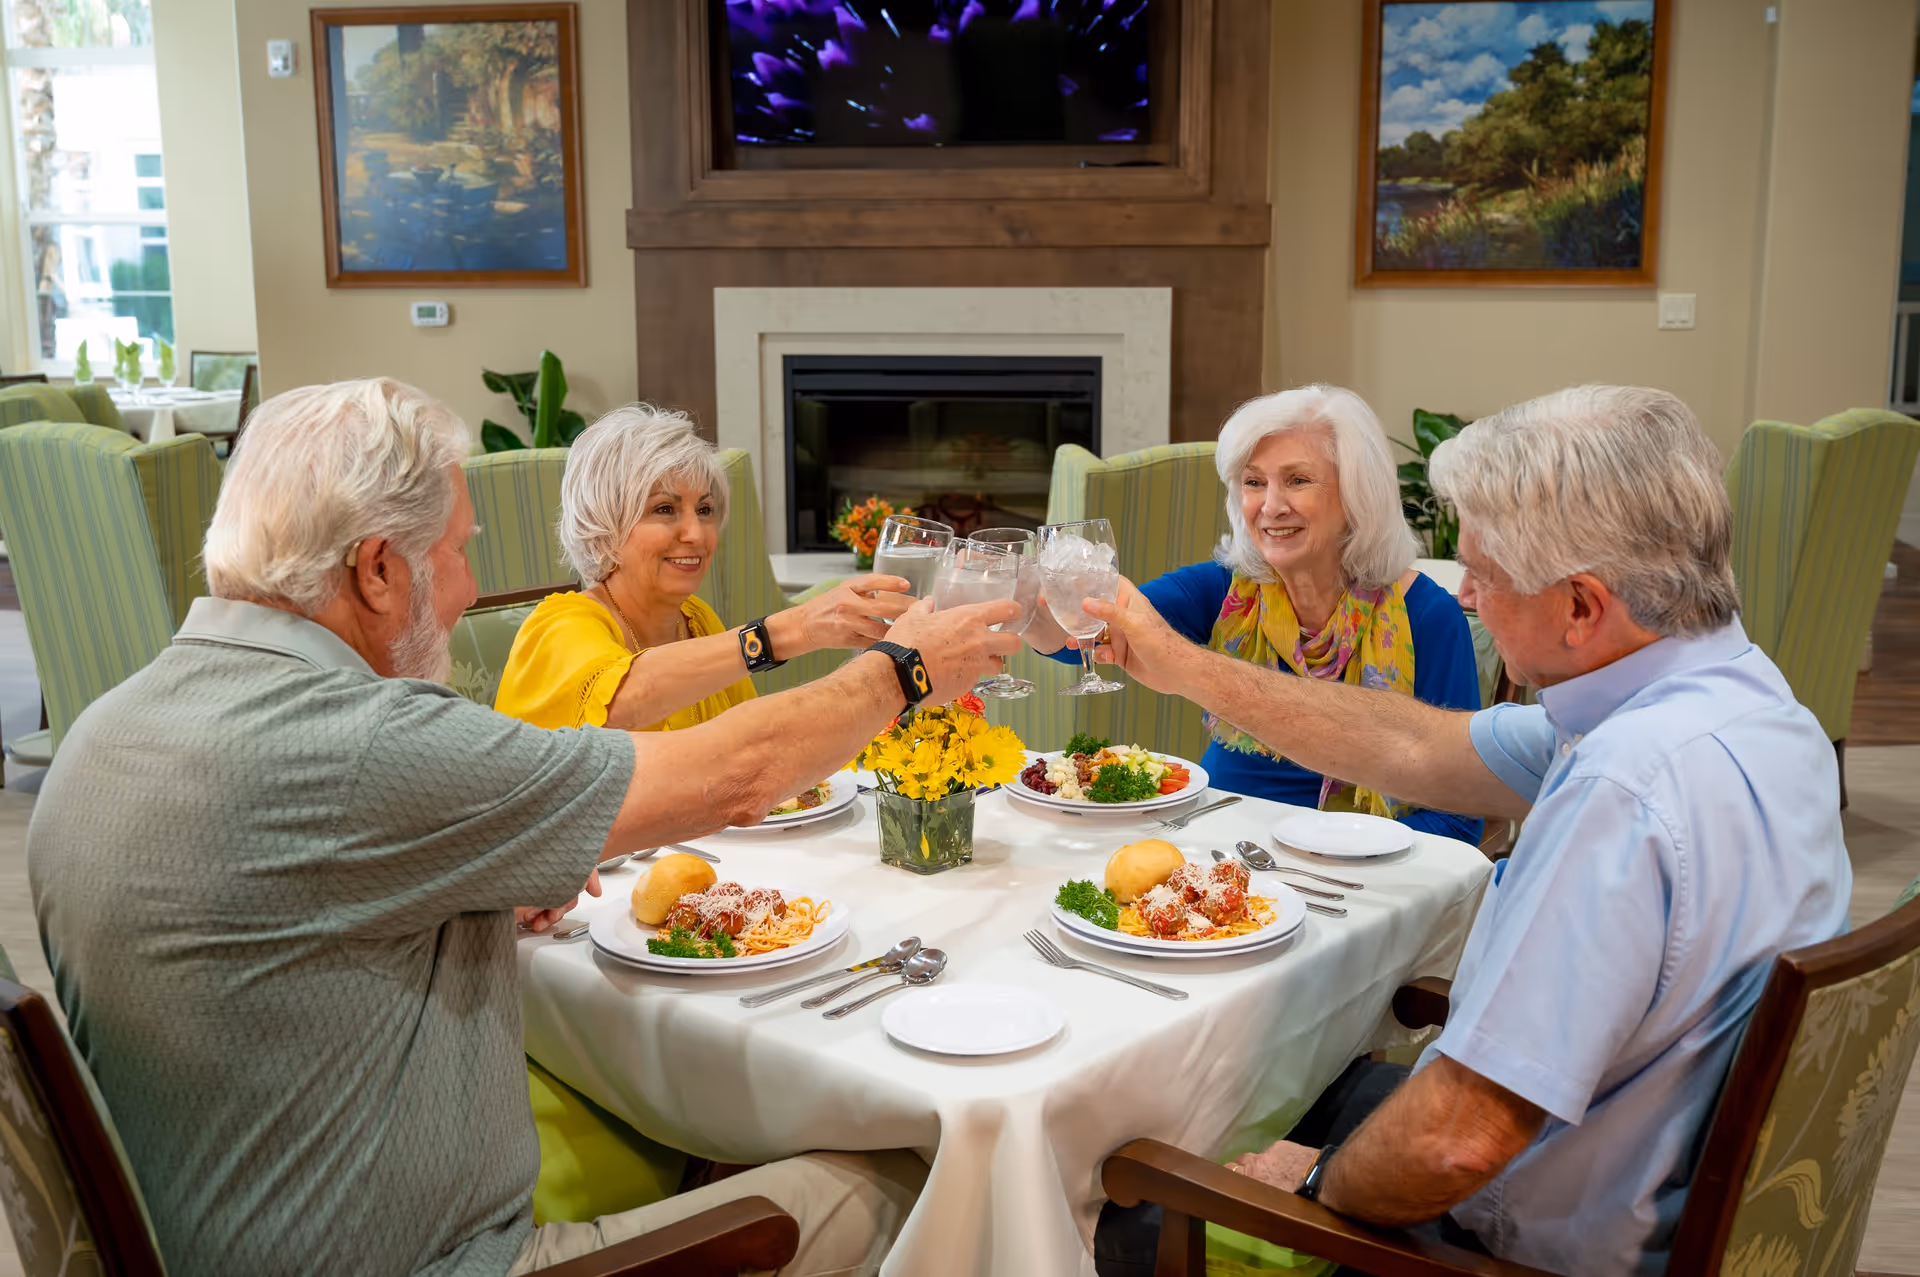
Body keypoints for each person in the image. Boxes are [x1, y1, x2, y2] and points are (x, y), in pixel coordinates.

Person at [29, 379, 1019, 1277]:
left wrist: (468, 892)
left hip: (219, 1230)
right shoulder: (365, 739)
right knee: (928, 1173)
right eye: (457, 553)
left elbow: (279, 932)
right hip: (462, 1259)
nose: (466, 590)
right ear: (378, 569)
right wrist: (907, 664)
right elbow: (739, 771)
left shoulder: (98, 734)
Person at [1086, 385, 1851, 1277]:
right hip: (1644, 1165)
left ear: (1580, 606)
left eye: (1484, 574)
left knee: (1113, 1193)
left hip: (1516, 1244)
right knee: (1268, 1081)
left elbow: (1457, 1141)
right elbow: (1413, 742)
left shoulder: (1623, 793)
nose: (1471, 598)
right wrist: (1183, 667)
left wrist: (1320, 1174)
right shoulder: (1745, 701)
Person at [1025, 385, 1482, 843]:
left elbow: (1459, 819)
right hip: (1219, 844)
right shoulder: (1223, 589)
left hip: (1351, 866)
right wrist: (1027, 607)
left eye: (1298, 480)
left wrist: (1327, 849)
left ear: (1357, 495)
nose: (1270, 506)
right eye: (1254, 482)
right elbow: (1091, 640)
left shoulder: (1428, 617)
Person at [494, 405, 912, 730]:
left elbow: (742, 740)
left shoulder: (695, 619)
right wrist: (794, 630)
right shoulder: (558, 627)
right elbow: (622, 700)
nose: (697, 533)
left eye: (705, 508)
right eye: (664, 509)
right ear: (603, 525)